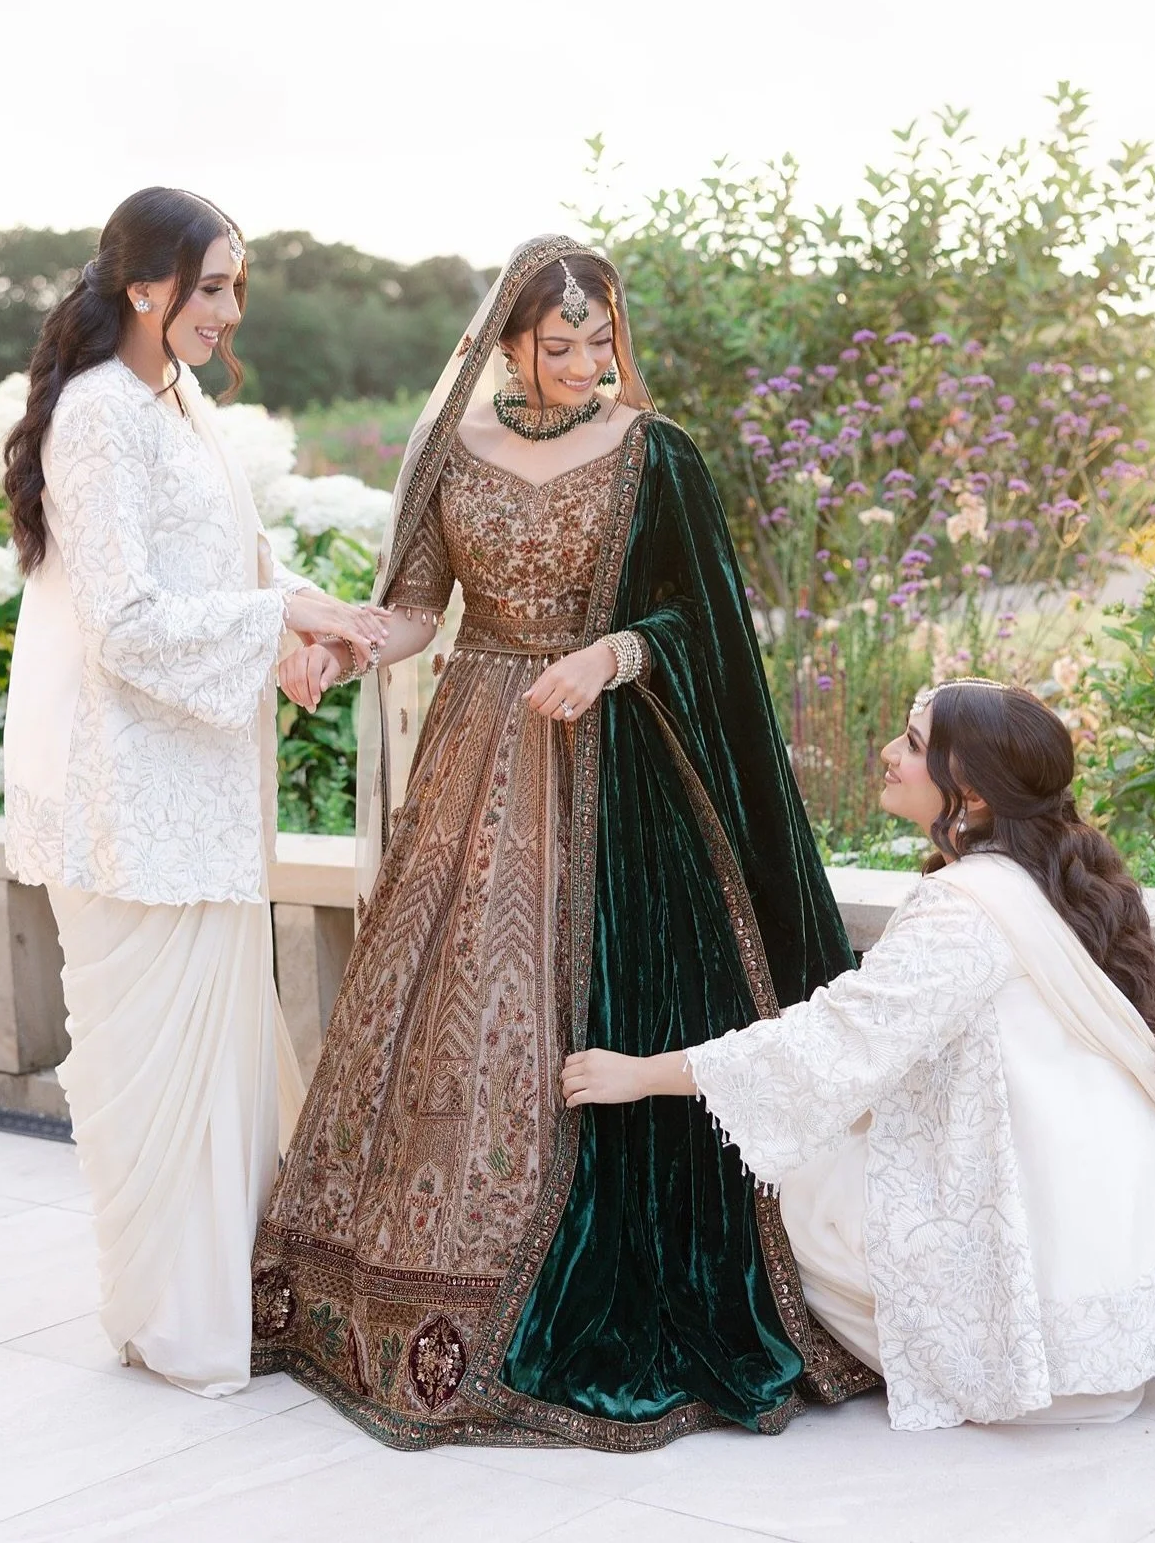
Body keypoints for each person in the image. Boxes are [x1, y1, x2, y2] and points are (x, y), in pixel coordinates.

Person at [250, 235, 875, 1450]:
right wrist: (340, 646)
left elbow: (710, 625)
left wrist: (612, 652)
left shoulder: (655, 452)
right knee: (446, 996)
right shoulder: (453, 450)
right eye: (560, 342)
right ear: (507, 343)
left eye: (601, 341)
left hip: (617, 765)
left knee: (570, 996)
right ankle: (397, 1287)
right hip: (478, 743)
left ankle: (579, 1272)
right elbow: (424, 606)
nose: (586, 364)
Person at [563, 678, 1155, 1431]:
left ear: (968, 795)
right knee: (843, 1137)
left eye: (910, 743)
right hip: (1109, 1331)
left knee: (779, 1184)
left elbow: (830, 1044)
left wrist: (642, 1074)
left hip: (1036, 1367)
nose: (886, 753)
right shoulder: (1062, 880)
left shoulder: (966, 909)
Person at [2, 186, 389, 1396]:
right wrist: (284, 617)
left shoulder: (182, 406)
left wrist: (310, 632)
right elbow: (123, 624)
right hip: (129, 799)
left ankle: (233, 1298)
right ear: (144, 286)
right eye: (212, 286)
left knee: (222, 1056)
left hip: (210, 785)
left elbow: (245, 564)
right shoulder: (99, 418)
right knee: (153, 1073)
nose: (230, 312)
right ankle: (179, 1321)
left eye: (237, 288)